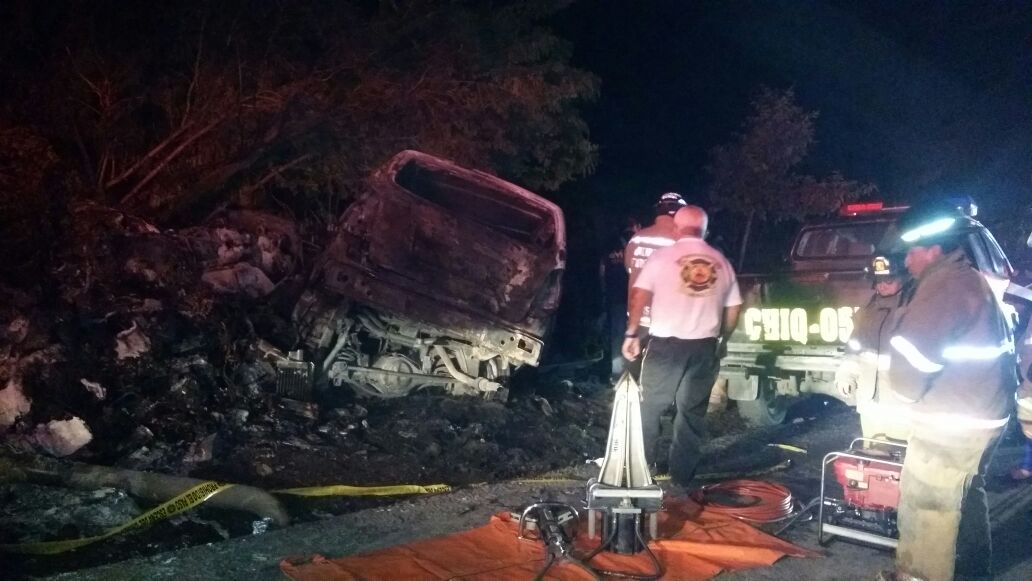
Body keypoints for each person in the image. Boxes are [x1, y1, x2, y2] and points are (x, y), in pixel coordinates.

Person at [877, 201, 1017, 581]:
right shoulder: (967, 280)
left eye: (911, 252)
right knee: (966, 497)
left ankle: (920, 575)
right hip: (979, 416)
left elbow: (910, 370)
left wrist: (900, 398)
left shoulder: (945, 288)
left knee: (930, 506)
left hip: (953, 425)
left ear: (933, 250)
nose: (906, 261)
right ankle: (972, 572)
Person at [622, 205, 742, 484]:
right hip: (704, 348)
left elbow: (639, 295)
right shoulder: (721, 262)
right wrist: (723, 338)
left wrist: (631, 333)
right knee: (691, 412)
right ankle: (682, 477)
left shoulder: (662, 257)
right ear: (705, 230)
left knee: (650, 408)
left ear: (677, 228)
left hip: (666, 348)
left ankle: (643, 469)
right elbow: (734, 307)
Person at [836, 253, 912, 442]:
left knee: (902, 461)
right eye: (878, 280)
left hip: (903, 408)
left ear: (904, 277)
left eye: (889, 279)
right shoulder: (868, 311)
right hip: (870, 404)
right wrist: (846, 375)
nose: (882, 285)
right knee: (872, 457)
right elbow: (854, 348)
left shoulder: (916, 310)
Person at [624, 192, 688, 333]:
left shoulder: (637, 239)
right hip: (668, 322)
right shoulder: (682, 242)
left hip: (637, 319)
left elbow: (630, 269)